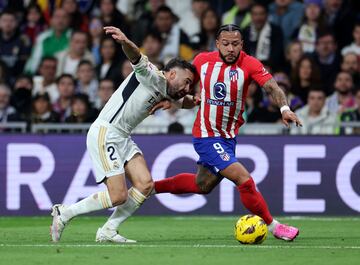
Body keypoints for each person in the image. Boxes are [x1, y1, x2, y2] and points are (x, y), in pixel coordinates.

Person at [153, 24, 302, 241]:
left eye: (235, 44)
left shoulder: (250, 64)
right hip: (206, 135)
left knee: (202, 185)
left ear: (242, 44)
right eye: (225, 44)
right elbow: (182, 83)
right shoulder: (202, 61)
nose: (230, 48)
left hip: (228, 137)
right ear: (217, 45)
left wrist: (285, 108)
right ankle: (274, 227)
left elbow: (271, 87)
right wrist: (170, 99)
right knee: (244, 179)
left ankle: (149, 188)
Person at [50, 25, 196, 243]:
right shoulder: (151, 75)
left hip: (123, 137)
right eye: (187, 82)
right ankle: (65, 212)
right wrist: (126, 41)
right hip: (106, 132)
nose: (187, 88)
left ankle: (108, 230)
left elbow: (182, 101)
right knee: (118, 195)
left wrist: (196, 101)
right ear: (172, 73)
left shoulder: (167, 89)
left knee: (145, 184)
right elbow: (136, 57)